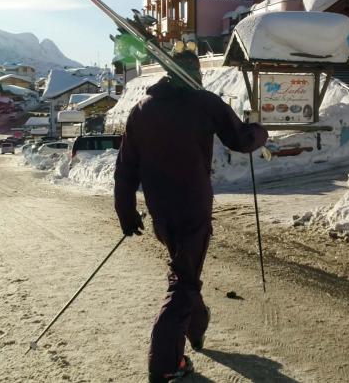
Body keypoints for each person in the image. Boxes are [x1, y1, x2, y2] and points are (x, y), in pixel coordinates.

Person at [114, 51, 268, 383]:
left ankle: (196, 328)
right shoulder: (204, 103)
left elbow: (125, 168)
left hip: (161, 213)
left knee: (186, 271)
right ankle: (165, 365)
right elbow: (241, 140)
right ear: (194, 74)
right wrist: (260, 132)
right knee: (183, 282)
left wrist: (125, 210)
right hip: (193, 208)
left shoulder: (142, 111)